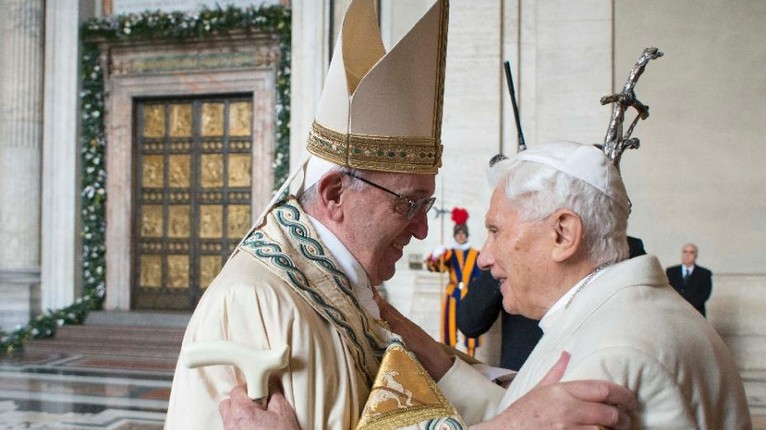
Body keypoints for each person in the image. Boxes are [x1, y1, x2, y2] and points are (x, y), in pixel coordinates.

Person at [166, 1, 635, 428]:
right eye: (408, 204)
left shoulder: (348, 288)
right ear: (333, 194)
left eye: (426, 205)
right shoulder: (258, 301)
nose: (422, 227)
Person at [388, 141, 751, 428]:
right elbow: (528, 414)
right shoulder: (619, 313)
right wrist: (436, 361)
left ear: (563, 234)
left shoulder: (610, 356)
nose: (483, 258)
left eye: (496, 231)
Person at [457, 237, 646, 371]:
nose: (483, 259)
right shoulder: (511, 253)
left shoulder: (626, 252)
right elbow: (469, 323)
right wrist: (505, 263)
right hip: (519, 388)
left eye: (496, 230)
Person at [425, 207, 483, 356]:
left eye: (463, 233)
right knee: (449, 328)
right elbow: (434, 268)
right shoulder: (449, 253)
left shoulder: (476, 254)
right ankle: (451, 357)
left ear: (467, 234)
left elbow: (481, 275)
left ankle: (471, 358)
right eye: (458, 233)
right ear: (455, 235)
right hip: (452, 295)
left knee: (471, 327)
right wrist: (436, 256)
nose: (461, 236)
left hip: (470, 295)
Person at [666, 243, 713, 317]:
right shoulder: (670, 271)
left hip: (696, 313)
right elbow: (667, 291)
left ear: (696, 256)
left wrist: (687, 307)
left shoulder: (705, 273)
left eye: (691, 252)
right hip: (675, 312)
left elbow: (704, 294)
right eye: (685, 252)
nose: (687, 255)